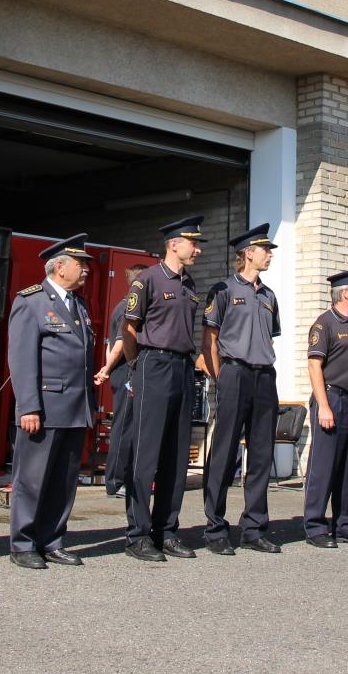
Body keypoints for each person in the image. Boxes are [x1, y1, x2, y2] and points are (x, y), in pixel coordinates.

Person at [5, 236, 97, 568]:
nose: (86, 269)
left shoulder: (80, 304)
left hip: (75, 407)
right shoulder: (30, 301)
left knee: (63, 480)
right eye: (80, 264)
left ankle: (53, 539)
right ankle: (23, 543)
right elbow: (22, 358)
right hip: (44, 407)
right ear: (60, 267)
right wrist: (28, 406)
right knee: (32, 480)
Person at [119, 215, 204, 562]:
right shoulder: (147, 281)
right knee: (146, 454)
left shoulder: (190, 284)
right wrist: (137, 366)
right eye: (193, 243)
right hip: (152, 365)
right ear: (173, 243)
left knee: (176, 454)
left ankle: (166, 531)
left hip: (183, 367)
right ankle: (137, 535)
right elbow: (129, 329)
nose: (197, 249)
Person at [201, 225, 283, 555]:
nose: (270, 254)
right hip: (234, 374)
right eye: (265, 249)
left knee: (262, 454)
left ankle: (254, 527)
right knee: (224, 451)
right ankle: (215, 528)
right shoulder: (222, 290)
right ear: (248, 253)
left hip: (264, 378)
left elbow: (269, 337)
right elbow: (210, 339)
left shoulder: (269, 296)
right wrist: (222, 378)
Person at [302, 268, 348, 548]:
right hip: (332, 398)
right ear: (346, 293)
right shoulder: (325, 324)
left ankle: (345, 524)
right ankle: (315, 526)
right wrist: (323, 405)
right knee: (324, 465)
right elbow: (314, 366)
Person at [101, 264, 147, 498]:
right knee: (125, 426)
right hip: (126, 370)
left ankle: (126, 477)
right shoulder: (127, 307)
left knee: (132, 425)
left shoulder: (127, 304)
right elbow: (119, 344)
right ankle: (116, 481)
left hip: (128, 370)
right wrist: (107, 369)